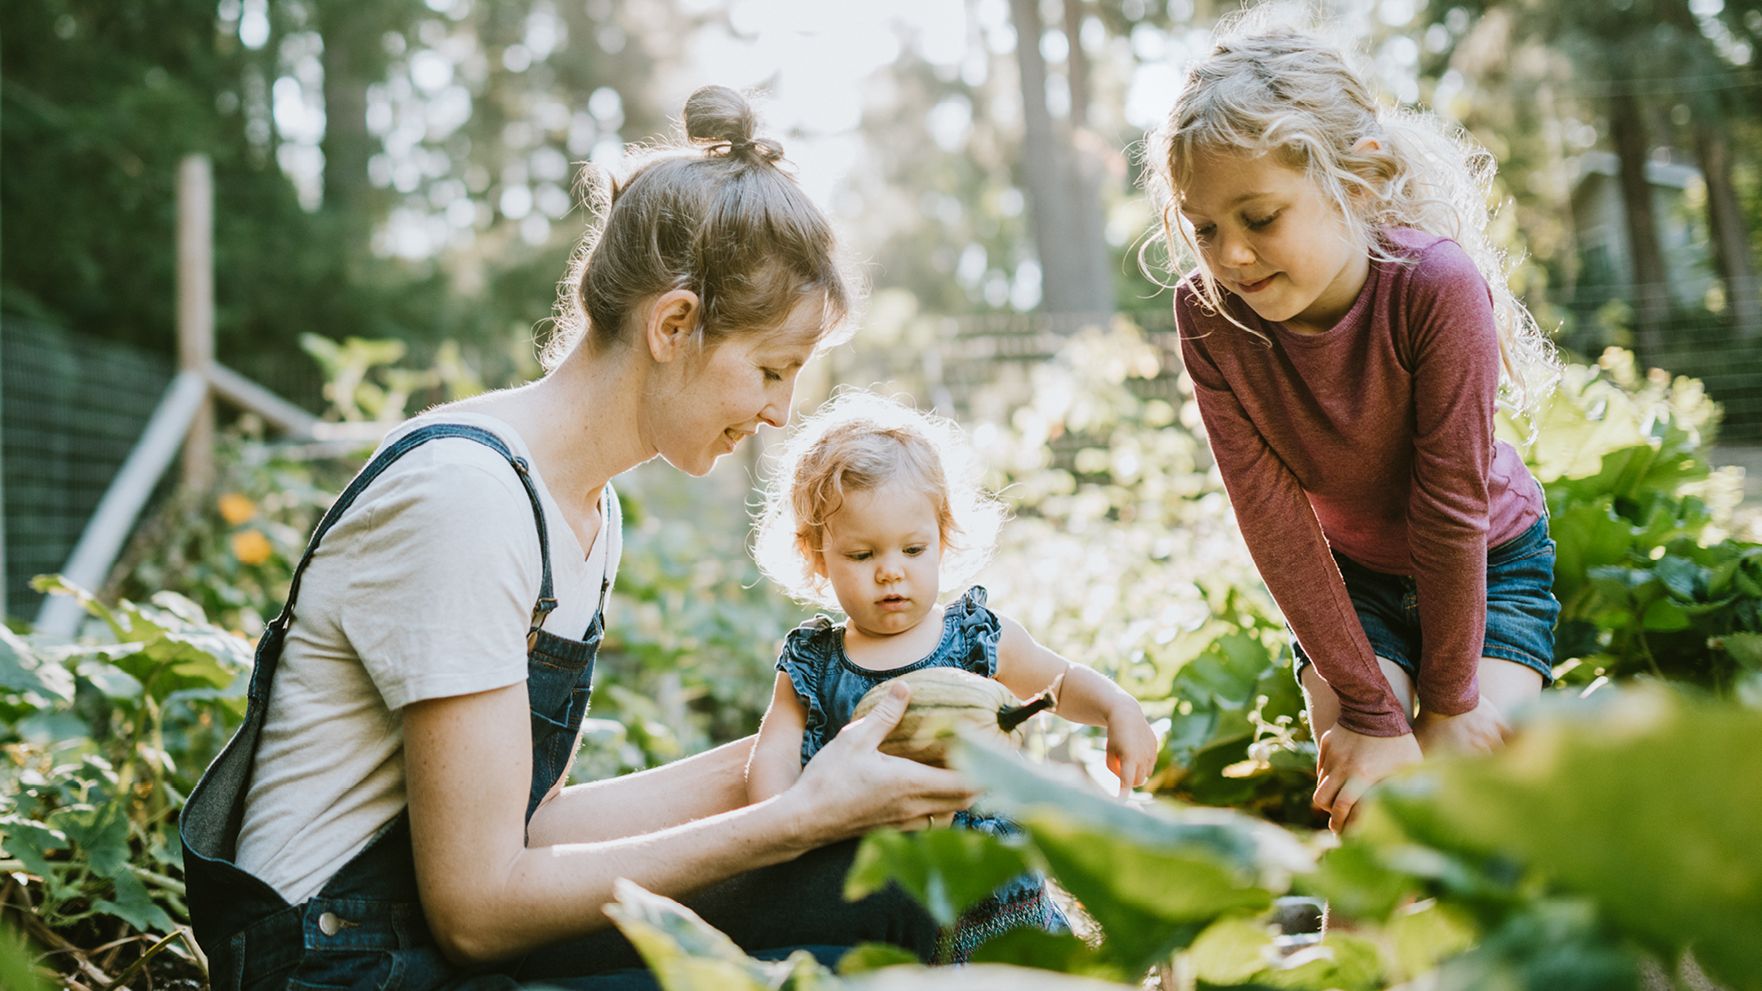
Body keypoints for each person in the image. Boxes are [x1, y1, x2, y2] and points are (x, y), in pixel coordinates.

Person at [179, 86, 981, 991]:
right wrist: (792, 819)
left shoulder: (583, 508)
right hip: (340, 965)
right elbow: (479, 909)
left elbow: (533, 829)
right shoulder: (469, 499)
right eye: (769, 369)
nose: (779, 412)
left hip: (421, 932)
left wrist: (823, 746)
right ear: (673, 325)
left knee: (896, 891)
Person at [1143, 19, 1561, 834]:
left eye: (1259, 217)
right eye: (1205, 229)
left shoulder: (1436, 288)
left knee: (1472, 807)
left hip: (1490, 562)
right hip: (1350, 584)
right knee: (1375, 816)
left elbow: (1450, 512)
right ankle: (1349, 964)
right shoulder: (1209, 315)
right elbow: (1273, 523)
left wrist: (1446, 706)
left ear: (1358, 183)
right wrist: (1374, 714)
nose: (1229, 256)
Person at [745, 392, 1159, 960]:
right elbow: (773, 752)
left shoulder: (974, 639)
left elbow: (1058, 681)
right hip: (885, 900)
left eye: (913, 549)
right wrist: (782, 823)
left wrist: (1116, 707)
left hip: (999, 896)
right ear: (818, 556)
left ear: (943, 539)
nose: (891, 571)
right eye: (862, 556)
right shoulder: (813, 664)